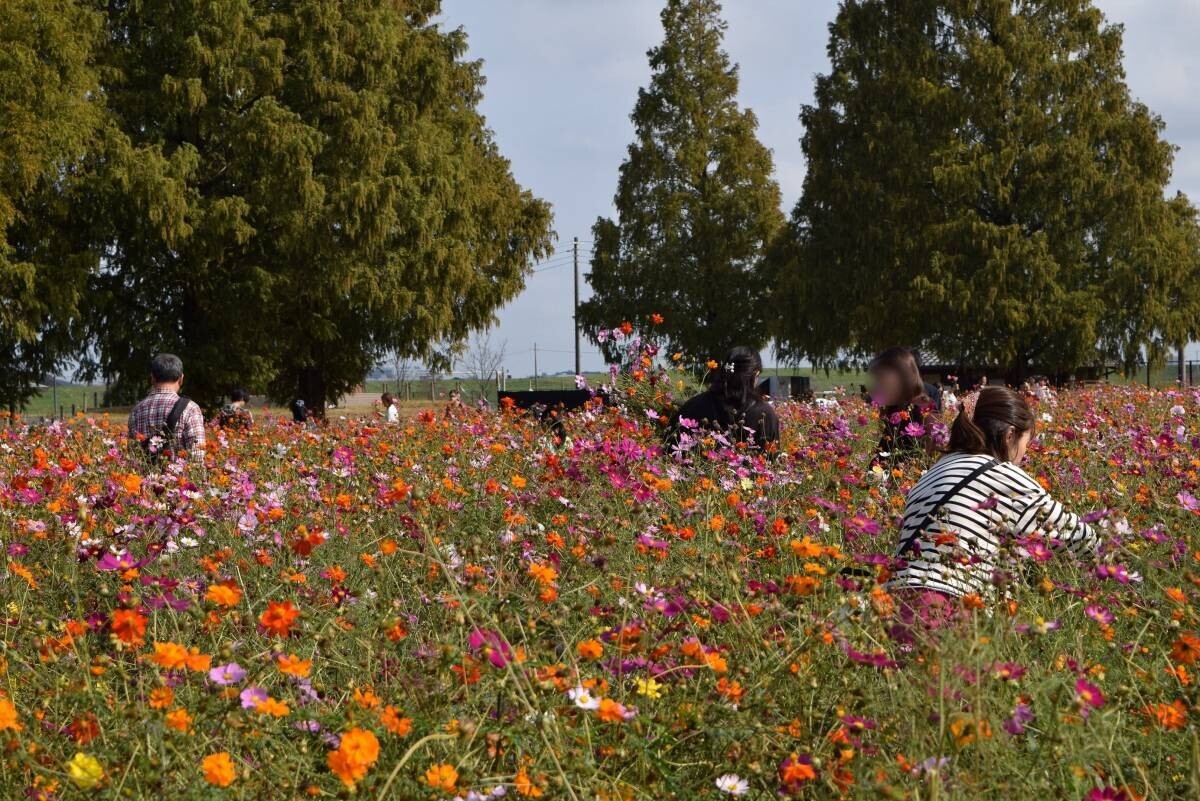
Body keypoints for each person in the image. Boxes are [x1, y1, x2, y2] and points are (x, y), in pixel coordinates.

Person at [887, 386, 1101, 645]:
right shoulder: (1004, 476)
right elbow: (1082, 541)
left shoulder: (932, 473)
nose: (1023, 456)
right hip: (950, 608)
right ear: (1010, 435)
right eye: (1026, 443)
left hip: (897, 608)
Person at [667, 347, 780, 451]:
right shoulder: (765, 414)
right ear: (755, 374)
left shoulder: (693, 406)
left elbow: (669, 448)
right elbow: (771, 460)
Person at [128, 353, 205, 460]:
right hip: (178, 476)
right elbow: (197, 456)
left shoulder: (136, 410)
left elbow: (132, 454)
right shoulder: (191, 408)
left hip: (144, 476)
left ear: (152, 378)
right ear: (181, 379)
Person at [868, 347, 940, 460]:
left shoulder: (923, 407)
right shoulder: (894, 407)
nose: (877, 385)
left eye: (881, 378)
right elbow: (884, 451)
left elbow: (933, 450)